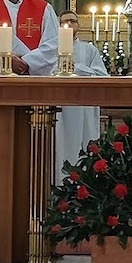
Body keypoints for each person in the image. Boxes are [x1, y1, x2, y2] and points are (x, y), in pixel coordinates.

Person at [54, 11, 109, 175]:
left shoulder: (89, 50)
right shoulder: (51, 49)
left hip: (83, 106)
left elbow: (102, 76)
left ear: (79, 25)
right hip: (60, 107)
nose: (69, 24)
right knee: (60, 145)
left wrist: (77, 69)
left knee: (84, 144)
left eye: (73, 21)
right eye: (64, 21)